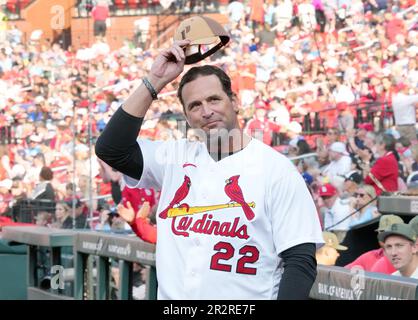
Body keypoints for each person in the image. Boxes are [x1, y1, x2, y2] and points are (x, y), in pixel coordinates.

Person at [96, 39, 323, 300]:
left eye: (214, 99)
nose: (206, 111)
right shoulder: (174, 159)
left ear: (234, 102)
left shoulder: (276, 170)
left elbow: (300, 262)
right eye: (194, 105)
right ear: (186, 116)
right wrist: (154, 80)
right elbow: (110, 149)